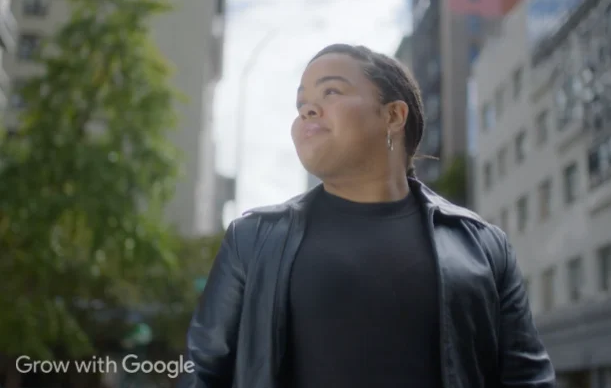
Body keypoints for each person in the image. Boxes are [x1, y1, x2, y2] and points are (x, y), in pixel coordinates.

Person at [176, 43, 555, 388]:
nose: (308, 109)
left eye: (331, 92)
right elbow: (204, 374)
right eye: (301, 103)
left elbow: (528, 380)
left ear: (393, 115)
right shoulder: (253, 239)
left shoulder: (483, 247)